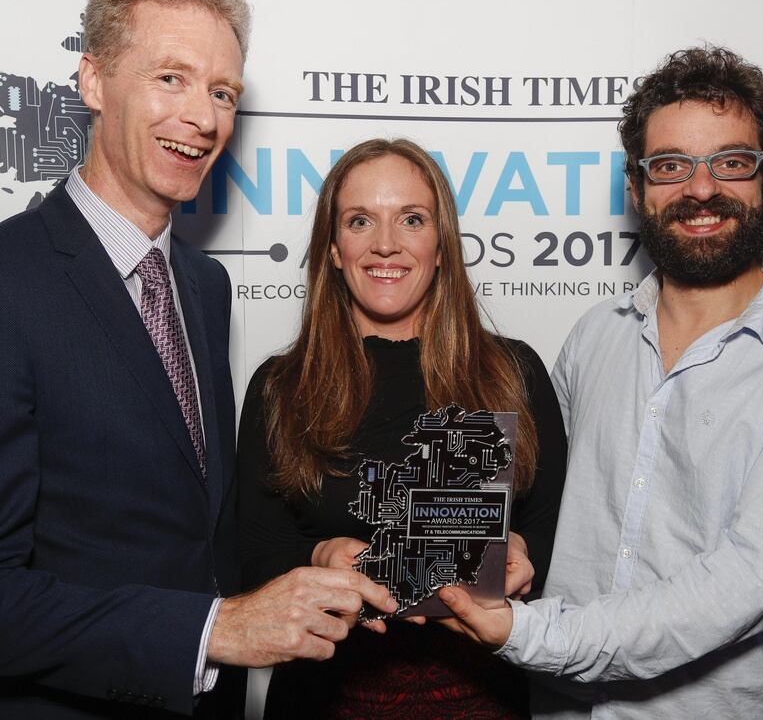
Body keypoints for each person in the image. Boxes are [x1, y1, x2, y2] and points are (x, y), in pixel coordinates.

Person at [0, 0, 394, 720]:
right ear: (94, 81)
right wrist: (211, 630)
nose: (203, 117)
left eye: (223, 91)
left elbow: (196, 527)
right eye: (172, 77)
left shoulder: (204, 286)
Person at [438, 46, 763, 718]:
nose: (701, 190)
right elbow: (541, 498)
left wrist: (529, 633)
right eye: (671, 166)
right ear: (637, 185)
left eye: (731, 163)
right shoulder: (596, 336)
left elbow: (749, 580)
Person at [237, 138, 568, 718]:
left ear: (441, 246)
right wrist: (319, 555)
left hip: (481, 699)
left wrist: (520, 551)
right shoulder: (280, 387)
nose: (385, 244)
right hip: (324, 701)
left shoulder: (511, 372)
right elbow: (250, 560)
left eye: (411, 219)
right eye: (360, 220)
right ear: (334, 249)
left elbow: (554, 529)